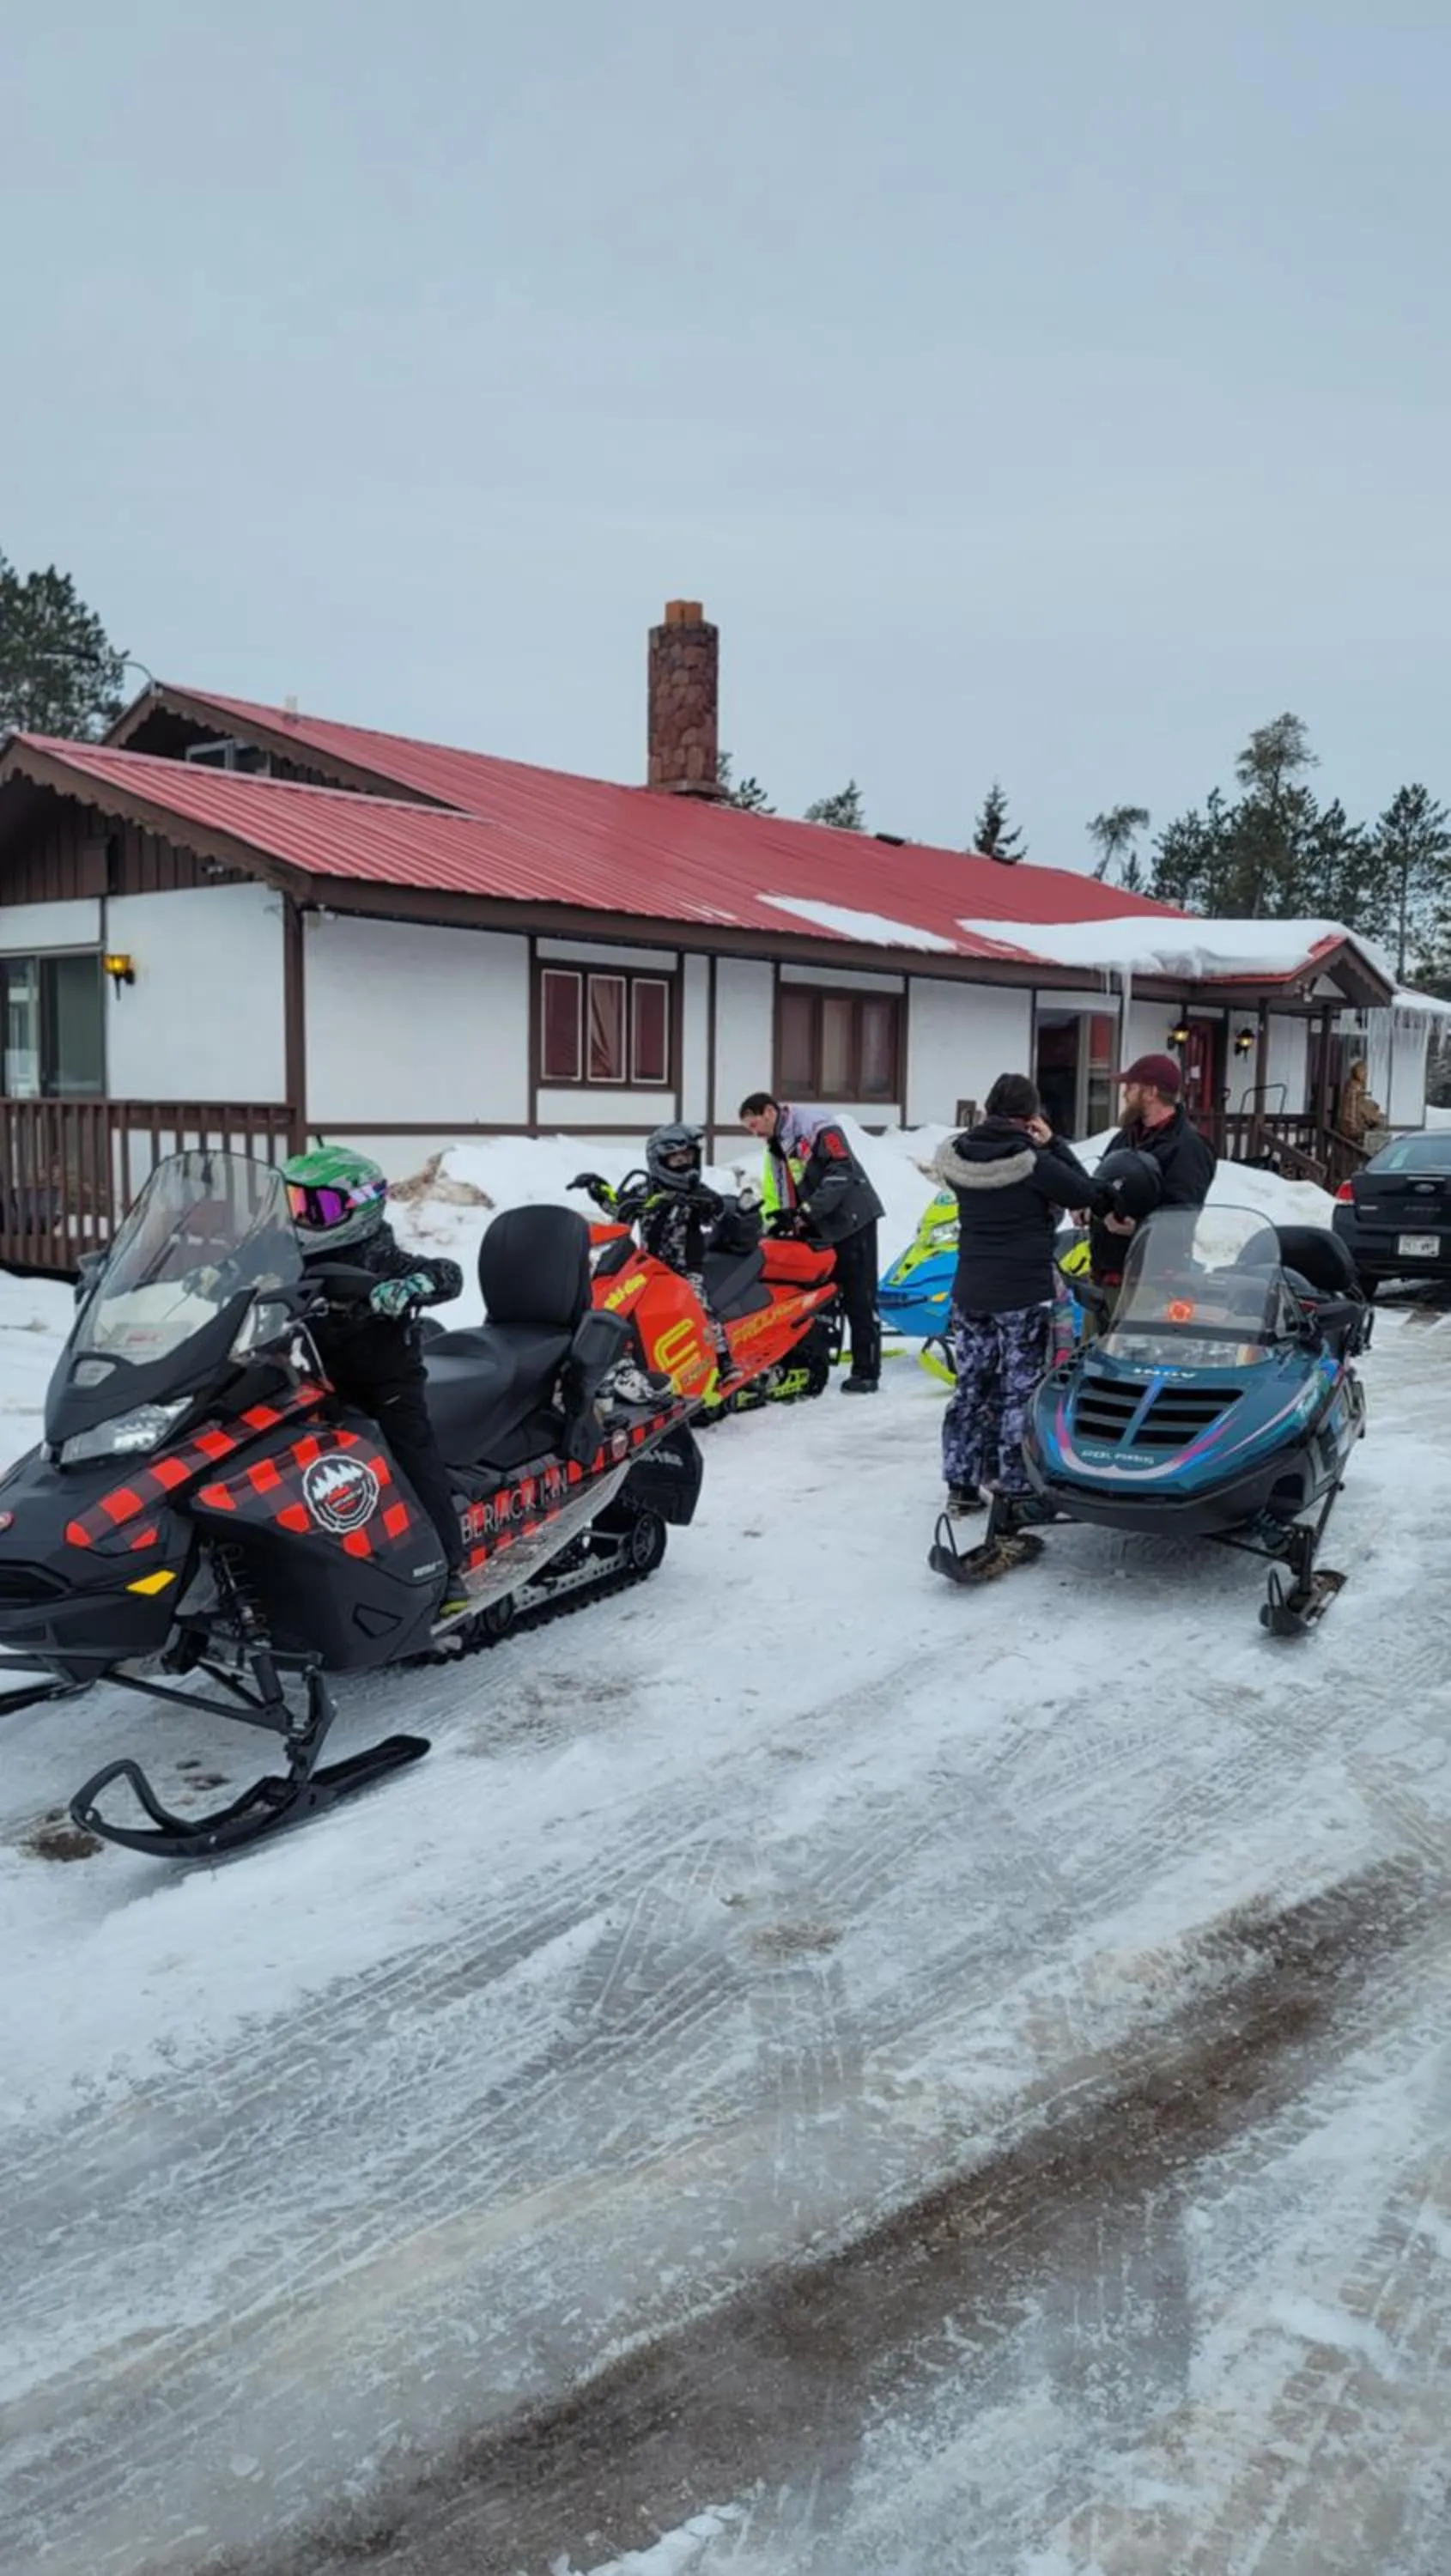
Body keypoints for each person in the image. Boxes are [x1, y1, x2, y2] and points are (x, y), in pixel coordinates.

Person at [282, 1147, 470, 1621]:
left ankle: (448, 1567)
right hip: (308, 1377)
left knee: (411, 1456)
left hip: (382, 1381)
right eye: (295, 1205)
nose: (302, 1218)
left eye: (316, 1208)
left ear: (358, 1207)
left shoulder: (378, 1254)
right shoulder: (288, 1255)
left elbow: (447, 1275)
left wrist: (408, 1288)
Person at [932, 1074, 1094, 1516]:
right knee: (1019, 1391)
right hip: (1022, 1292)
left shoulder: (958, 1157)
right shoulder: (1031, 1161)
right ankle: (1015, 1488)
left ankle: (961, 1484)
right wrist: (1053, 1144)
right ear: (1030, 1117)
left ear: (987, 1110)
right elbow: (1085, 1191)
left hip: (970, 1291)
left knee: (971, 1387)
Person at [739, 1091, 885, 1391]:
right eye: (749, 1129)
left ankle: (867, 1371)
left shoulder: (817, 1126)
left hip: (853, 1217)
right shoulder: (776, 1143)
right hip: (820, 1223)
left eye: (755, 1125)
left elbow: (841, 1171)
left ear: (769, 1111)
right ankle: (812, 1360)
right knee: (819, 1292)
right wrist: (784, 1218)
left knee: (859, 1295)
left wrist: (807, 1212)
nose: (755, 1133)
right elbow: (784, 1184)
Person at [1088, 1052, 1216, 1293]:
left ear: (1151, 1092)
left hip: (1152, 1280)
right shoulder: (1125, 1137)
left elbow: (1182, 1218)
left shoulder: (1189, 1147)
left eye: (1130, 1087)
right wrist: (1089, 1205)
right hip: (1107, 1273)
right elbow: (1104, 1183)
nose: (1124, 1093)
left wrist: (1137, 1229)